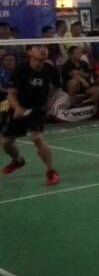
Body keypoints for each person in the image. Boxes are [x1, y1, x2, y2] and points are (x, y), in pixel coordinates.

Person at [1, 44, 61, 186]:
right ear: (29, 52)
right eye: (38, 47)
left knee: (37, 138)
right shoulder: (21, 69)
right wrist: (17, 108)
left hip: (38, 109)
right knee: (6, 143)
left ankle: (51, 172)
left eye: (45, 47)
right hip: (20, 107)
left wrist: (49, 103)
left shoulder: (50, 69)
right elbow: (11, 94)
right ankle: (17, 161)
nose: (43, 49)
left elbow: (56, 87)